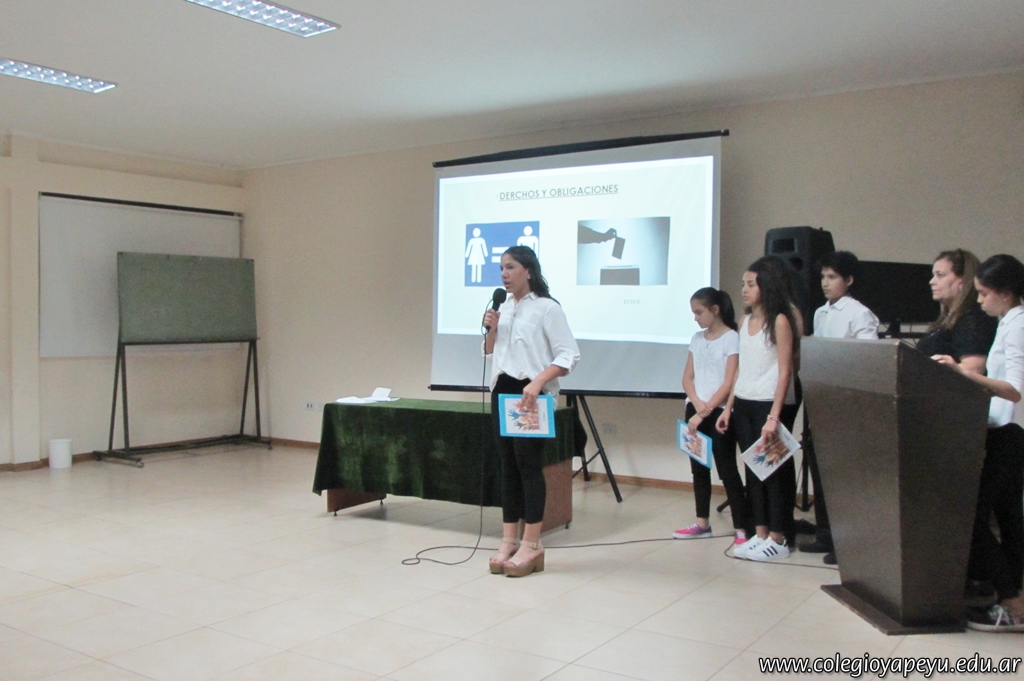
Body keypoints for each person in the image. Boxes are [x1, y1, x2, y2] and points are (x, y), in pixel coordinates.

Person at [935, 254, 1024, 632]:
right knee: (1010, 517)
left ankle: (1011, 600)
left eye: (985, 294)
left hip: (1009, 431)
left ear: (1006, 293)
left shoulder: (1017, 325)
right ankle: (1013, 600)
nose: (981, 301)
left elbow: (1014, 390)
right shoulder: (1010, 321)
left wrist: (961, 373)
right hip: (1008, 429)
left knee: (972, 515)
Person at [483, 246, 580, 577]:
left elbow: (569, 355)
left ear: (528, 270)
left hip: (531, 396)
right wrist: (492, 328)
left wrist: (538, 381)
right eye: (501, 268)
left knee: (528, 466)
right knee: (507, 466)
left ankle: (532, 543)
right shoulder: (503, 308)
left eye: (510, 267)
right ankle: (508, 539)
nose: (504, 274)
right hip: (502, 391)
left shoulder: (547, 308)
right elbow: (489, 351)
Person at [800, 251, 880, 564]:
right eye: (823, 277)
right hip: (822, 398)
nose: (825, 283)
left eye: (832, 277)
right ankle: (825, 533)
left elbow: (868, 359)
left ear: (848, 280)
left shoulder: (859, 314)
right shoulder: (820, 313)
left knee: (845, 475)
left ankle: (849, 543)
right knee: (821, 470)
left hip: (847, 402)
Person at [717, 256, 798, 561]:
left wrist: (774, 416)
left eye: (751, 284)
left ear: (766, 286)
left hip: (768, 403)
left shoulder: (780, 321)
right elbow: (741, 368)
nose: (744, 290)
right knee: (753, 470)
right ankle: (760, 533)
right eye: (743, 284)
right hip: (744, 401)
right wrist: (728, 407)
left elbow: (785, 371)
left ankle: (778, 537)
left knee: (772, 471)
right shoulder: (743, 322)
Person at [673, 287, 747, 547]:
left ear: (715, 310)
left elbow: (729, 382)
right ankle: (702, 522)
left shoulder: (732, 338)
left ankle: (741, 528)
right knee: (698, 469)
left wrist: (705, 411)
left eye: (699, 312)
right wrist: (696, 404)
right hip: (695, 408)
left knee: (727, 469)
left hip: (719, 412)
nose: (696, 318)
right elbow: (687, 377)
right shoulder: (696, 338)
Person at [917, 249, 996, 374]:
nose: (931, 281)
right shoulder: (951, 317)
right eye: (933, 275)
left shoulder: (973, 317)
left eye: (940, 275)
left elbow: (974, 368)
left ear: (963, 281)